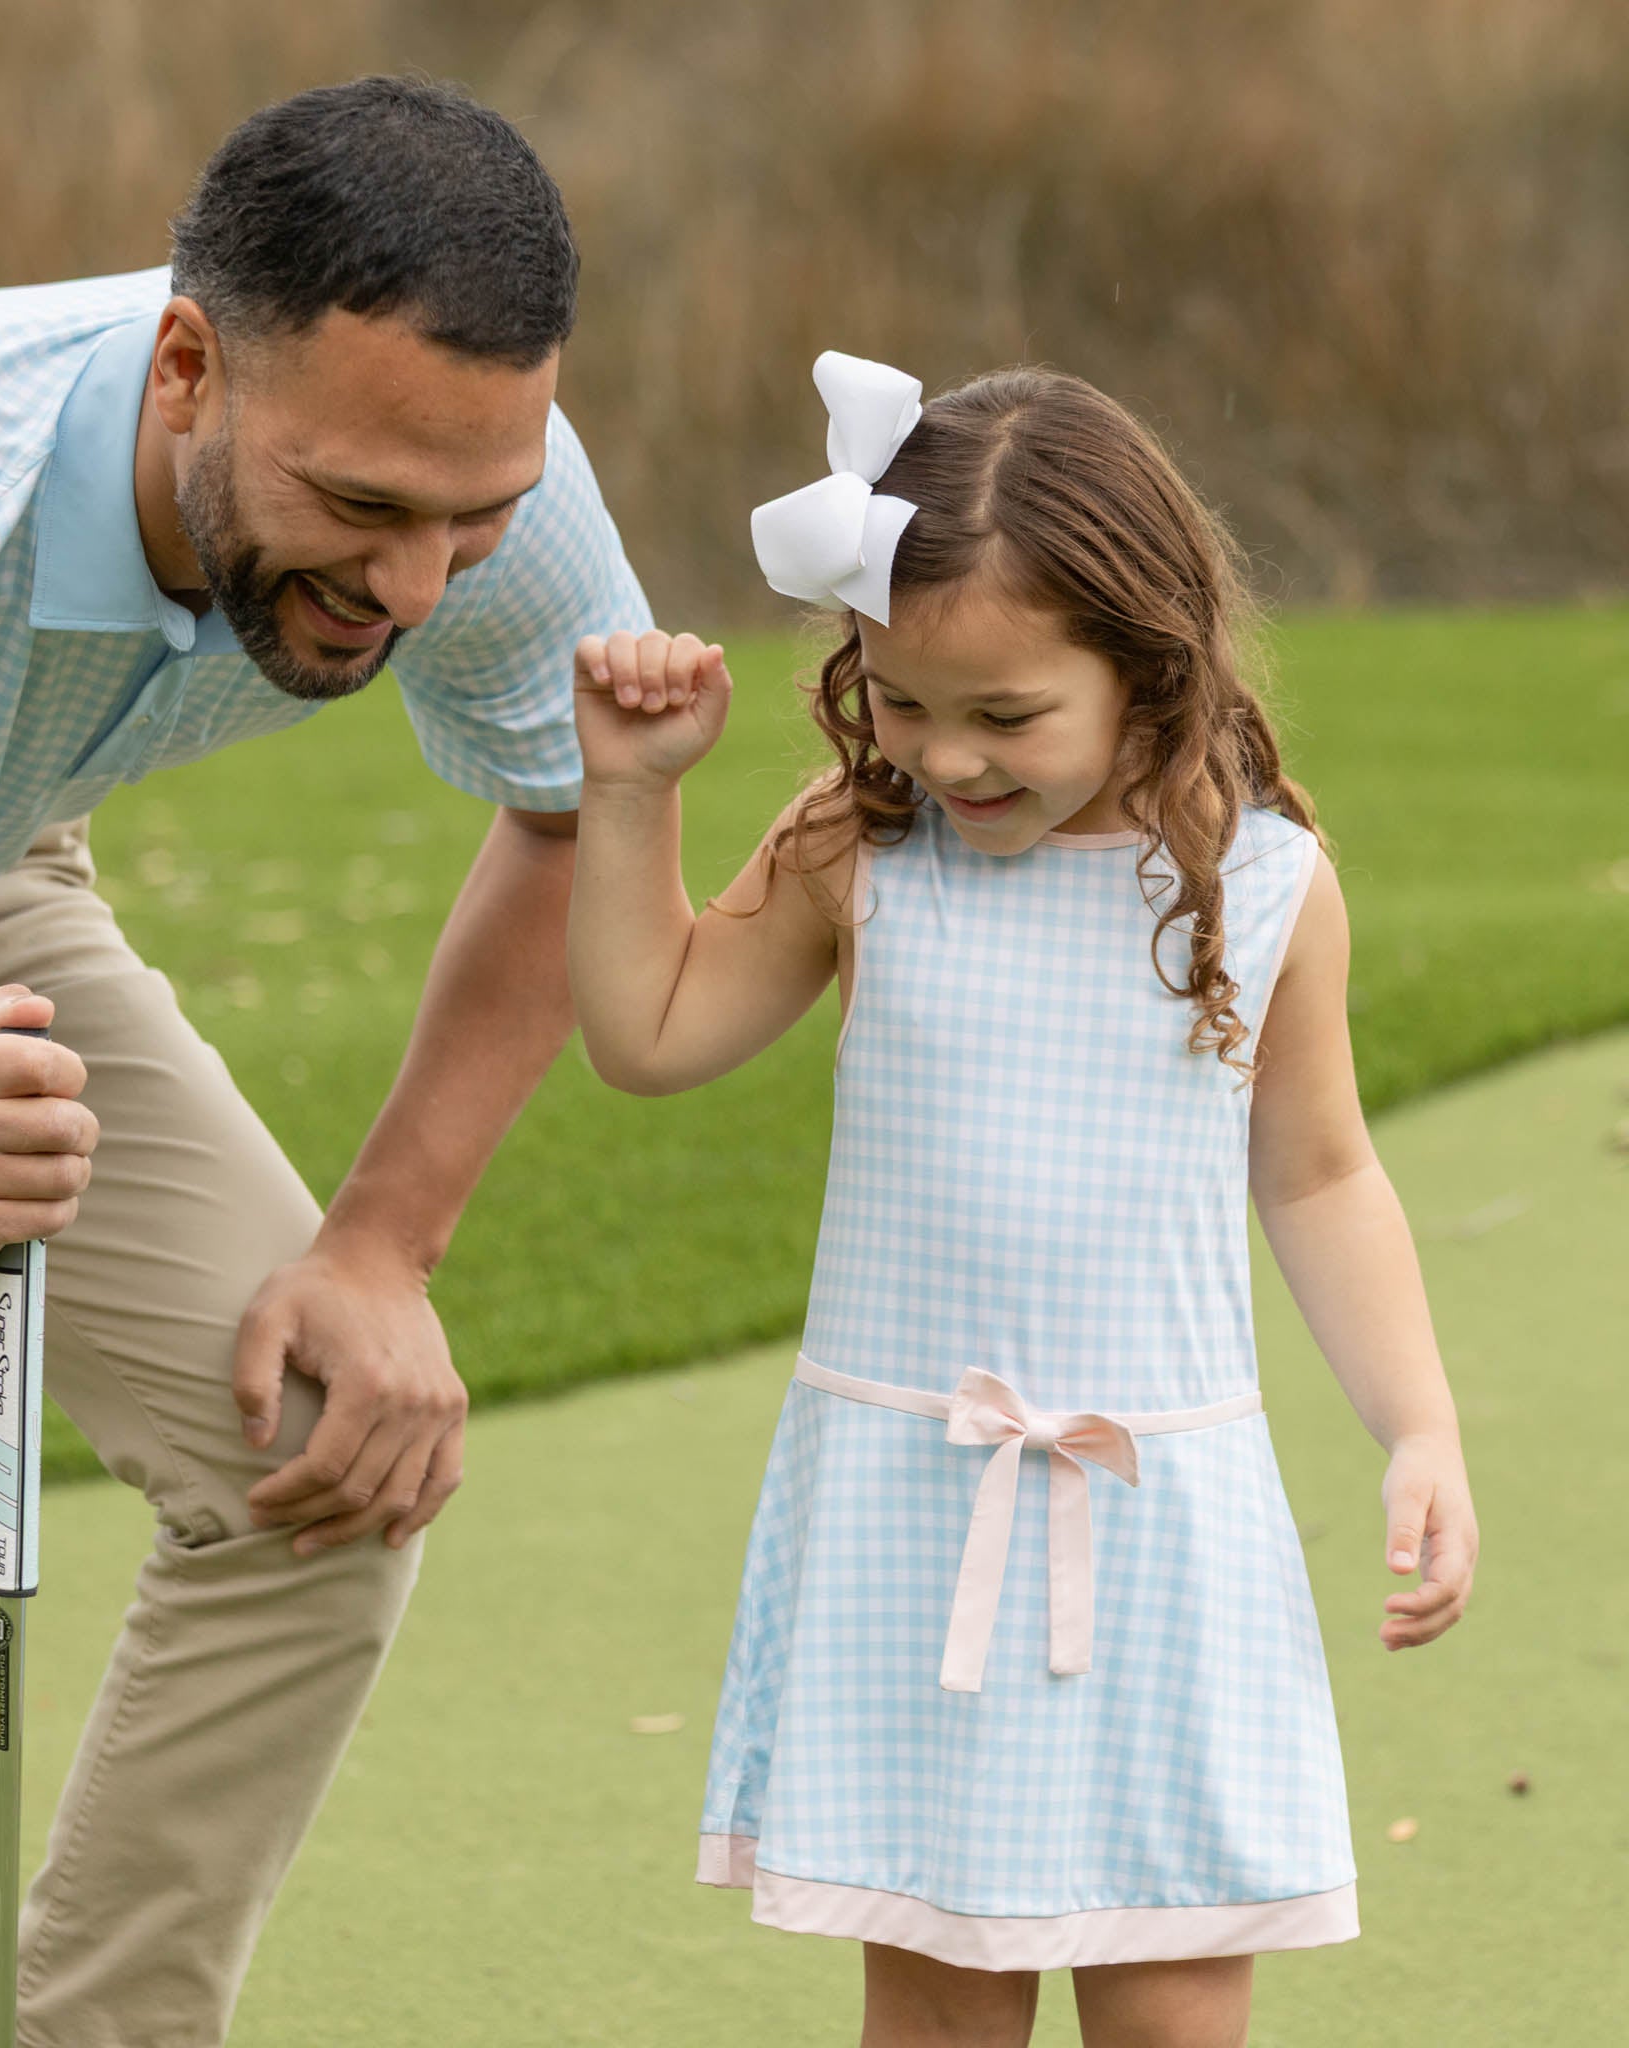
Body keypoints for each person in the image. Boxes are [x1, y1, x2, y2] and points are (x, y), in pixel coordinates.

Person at [0, 76, 649, 2045]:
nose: (423, 586)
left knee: (318, 1455)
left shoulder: (475, 466)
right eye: (363, 514)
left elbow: (577, 812)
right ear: (185, 368)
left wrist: (382, 1241)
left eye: (471, 520)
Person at [566, 355, 1479, 2048]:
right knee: (936, 2007)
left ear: (1149, 670)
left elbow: (1323, 1169)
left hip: (1162, 1527)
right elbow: (650, 1030)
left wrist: (1418, 1428)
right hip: (918, 1515)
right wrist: (633, 794)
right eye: (904, 701)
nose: (949, 757)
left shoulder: (1266, 884)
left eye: (1007, 717)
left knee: (1176, 2002)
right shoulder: (862, 844)